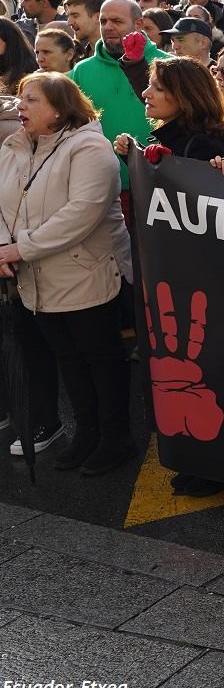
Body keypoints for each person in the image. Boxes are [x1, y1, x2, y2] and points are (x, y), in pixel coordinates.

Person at [0, 72, 135, 474]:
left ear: (59, 109)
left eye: (31, 100)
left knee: (101, 360)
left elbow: (80, 215)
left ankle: (117, 439)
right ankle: (86, 434)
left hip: (84, 275)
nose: (19, 107)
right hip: (36, 279)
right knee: (69, 360)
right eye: (20, 99)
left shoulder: (90, 148)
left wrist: (18, 248)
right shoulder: (16, 146)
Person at [69, 0, 173, 195]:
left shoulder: (167, 65)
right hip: (98, 184)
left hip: (158, 182)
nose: (107, 27)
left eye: (116, 21)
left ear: (139, 24)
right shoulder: (81, 71)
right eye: (103, 21)